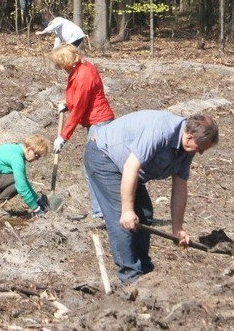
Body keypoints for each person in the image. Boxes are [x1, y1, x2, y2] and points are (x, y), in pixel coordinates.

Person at [84, 110, 218, 285]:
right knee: (121, 219)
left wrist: (177, 228)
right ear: (189, 137)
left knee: (144, 214)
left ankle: (145, 272)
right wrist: (127, 210)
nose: (199, 153)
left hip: (125, 167)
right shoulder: (160, 130)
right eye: (200, 149)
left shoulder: (188, 148)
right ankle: (131, 277)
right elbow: (131, 167)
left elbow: (180, 185)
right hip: (104, 156)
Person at [50, 44, 114, 218]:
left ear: (67, 61)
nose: (60, 69)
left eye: (60, 64)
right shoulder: (81, 68)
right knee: (96, 167)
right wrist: (67, 103)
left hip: (99, 123)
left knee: (92, 168)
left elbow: (79, 108)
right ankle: (103, 211)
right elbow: (78, 99)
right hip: (96, 122)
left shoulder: (83, 75)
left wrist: (63, 136)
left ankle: (100, 213)